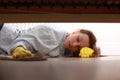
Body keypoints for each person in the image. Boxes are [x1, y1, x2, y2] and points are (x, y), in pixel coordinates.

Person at [0, 23, 100, 59]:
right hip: (4, 35)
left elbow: (96, 51)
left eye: (78, 47)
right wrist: (19, 47)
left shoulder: (66, 49)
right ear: (75, 31)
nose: (74, 44)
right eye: (78, 39)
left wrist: (91, 53)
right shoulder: (52, 33)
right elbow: (25, 41)